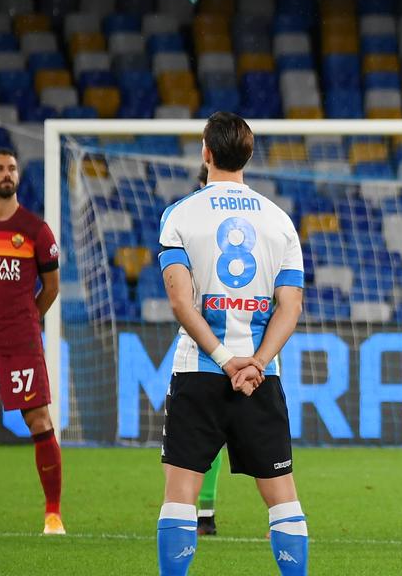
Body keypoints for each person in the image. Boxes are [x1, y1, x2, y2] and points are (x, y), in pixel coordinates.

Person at [156, 112, 308, 575]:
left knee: (180, 498)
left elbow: (182, 303)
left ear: (206, 152)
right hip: (259, 379)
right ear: (249, 154)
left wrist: (223, 359)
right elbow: (291, 306)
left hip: (199, 371)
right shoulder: (279, 220)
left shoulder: (179, 215)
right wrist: (256, 363)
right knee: (282, 498)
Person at [0, 147, 64, 535]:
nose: (6, 174)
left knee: (38, 421)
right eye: (0, 169)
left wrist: (29, 319)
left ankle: (52, 514)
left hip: (20, 342)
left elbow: (51, 286)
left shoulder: (36, 230)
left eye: (11, 169)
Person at [189, 163, 225, 538]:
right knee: (205, 431)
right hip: (203, 337)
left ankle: (281, 516)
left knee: (259, 435)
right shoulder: (189, 223)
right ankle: (204, 514)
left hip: (234, 339)